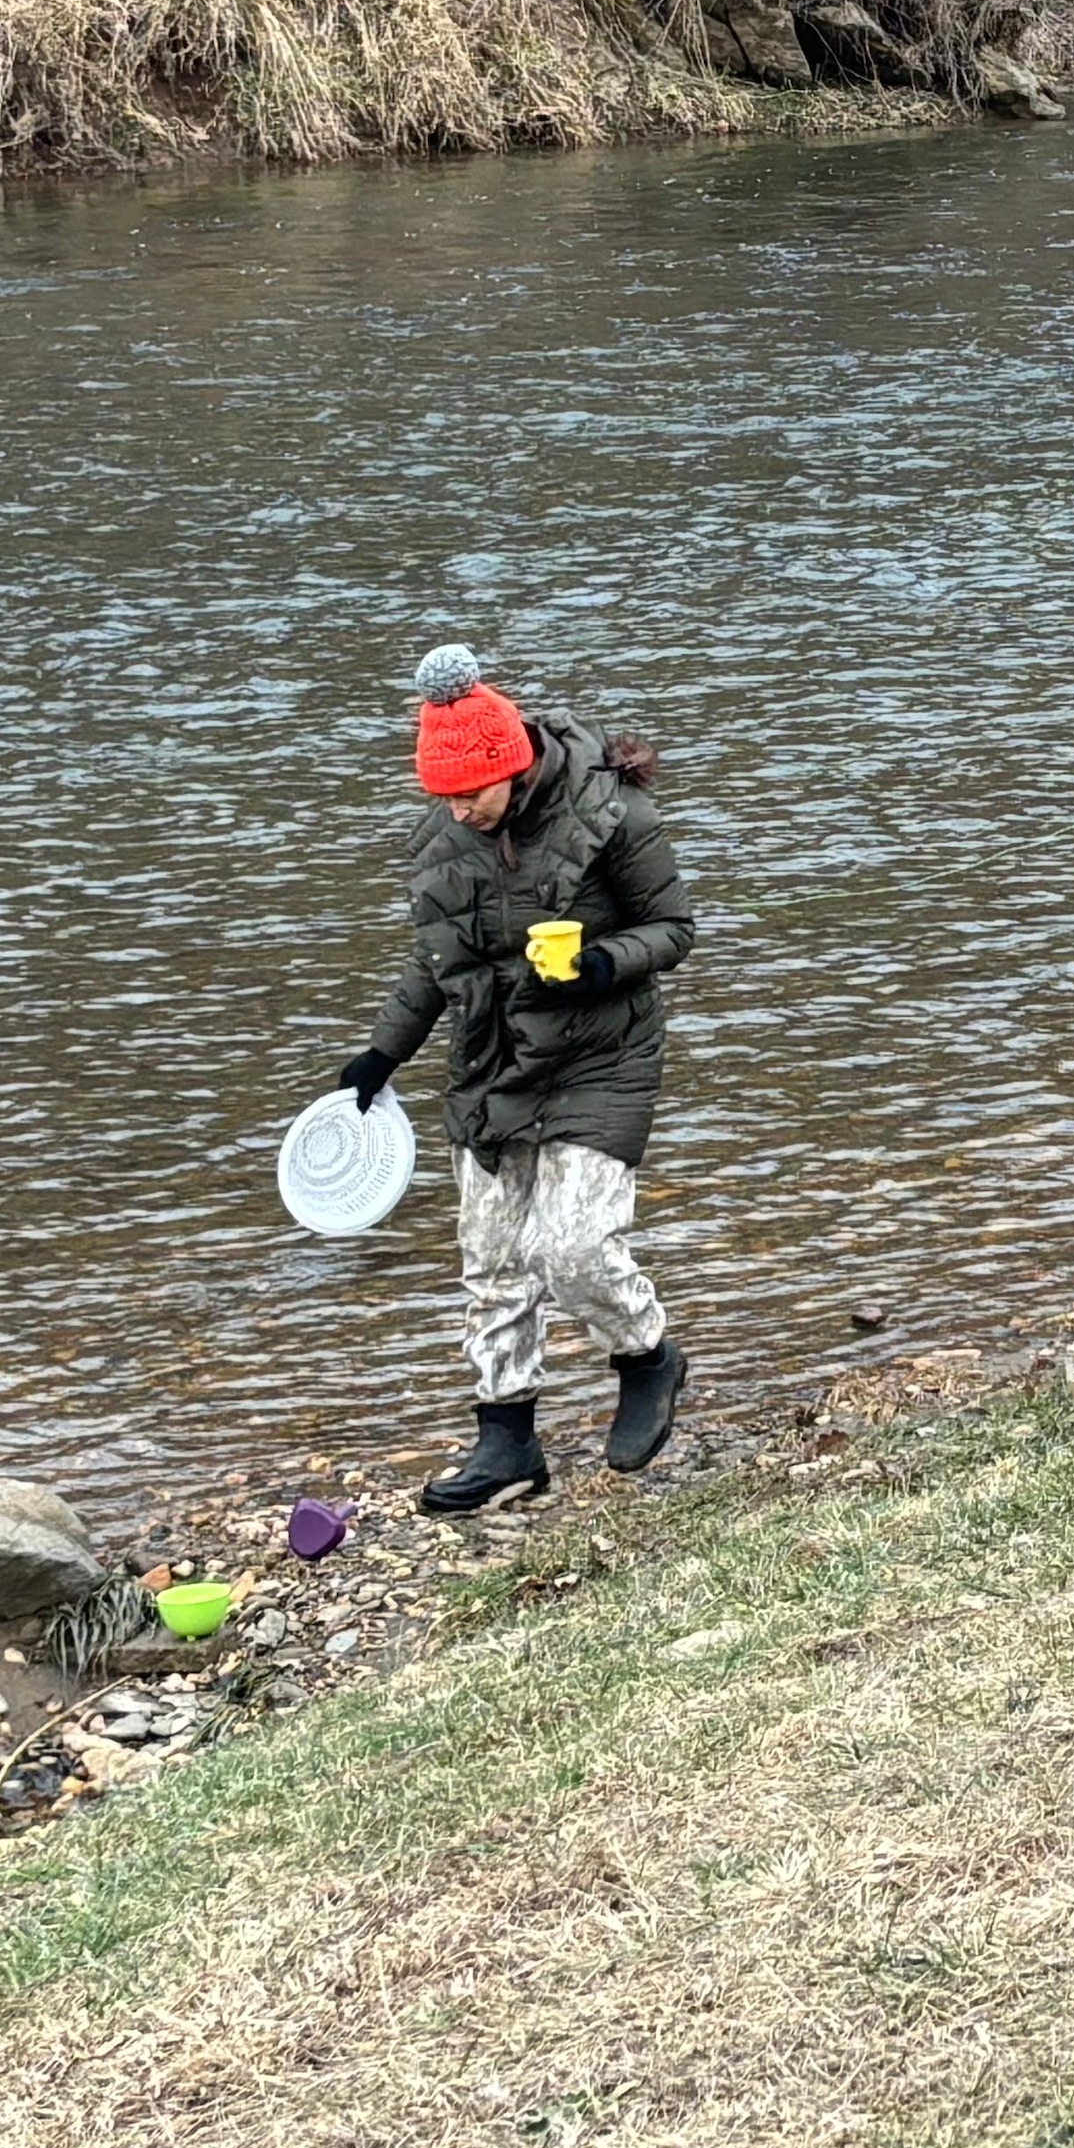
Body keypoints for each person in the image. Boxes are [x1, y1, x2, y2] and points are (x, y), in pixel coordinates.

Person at [344, 643, 698, 1513]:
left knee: (571, 1249)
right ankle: (507, 1444)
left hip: (600, 1054)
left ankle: (647, 1356)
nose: (457, 810)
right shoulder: (447, 835)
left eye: (470, 792)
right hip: (493, 1064)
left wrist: (599, 963)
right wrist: (383, 1053)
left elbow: (675, 930)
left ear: (513, 765)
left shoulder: (613, 815)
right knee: (494, 1263)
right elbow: (436, 962)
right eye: (443, 794)